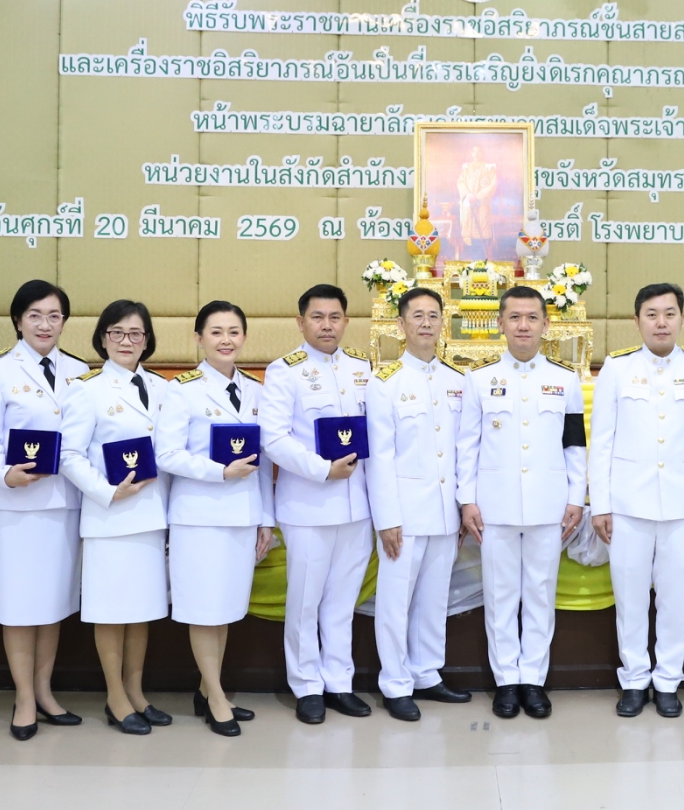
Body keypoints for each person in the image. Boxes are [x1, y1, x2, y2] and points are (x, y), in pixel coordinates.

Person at [590, 282, 684, 718]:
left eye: (669, 313)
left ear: (682, 319)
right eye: (652, 314)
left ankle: (667, 680)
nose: (661, 322)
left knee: (674, 599)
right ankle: (633, 679)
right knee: (629, 598)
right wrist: (601, 504)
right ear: (637, 321)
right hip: (628, 505)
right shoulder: (616, 367)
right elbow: (603, 441)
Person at [457, 285, 587, 719]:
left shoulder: (565, 380)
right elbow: (467, 446)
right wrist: (466, 500)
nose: (524, 325)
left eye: (532, 317)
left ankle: (533, 679)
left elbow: (574, 445)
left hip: (549, 506)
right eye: (515, 317)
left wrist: (576, 497)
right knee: (500, 594)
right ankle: (506, 681)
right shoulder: (479, 379)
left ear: (546, 324)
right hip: (494, 508)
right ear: (500, 324)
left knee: (539, 592)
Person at [0, 279, 90, 740]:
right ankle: (23, 698)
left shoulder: (81, 371)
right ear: (18, 320)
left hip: (63, 504)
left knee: (52, 602)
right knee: (20, 605)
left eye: (55, 316)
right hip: (15, 505)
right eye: (36, 315)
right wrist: (4, 474)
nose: (45, 324)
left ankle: (44, 691)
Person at [262, 283, 377, 724]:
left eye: (334, 317)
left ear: (346, 322)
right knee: (306, 600)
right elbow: (273, 438)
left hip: (357, 506)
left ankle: (339, 682)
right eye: (317, 317)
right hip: (309, 504)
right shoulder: (284, 371)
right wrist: (321, 468)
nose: (327, 325)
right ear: (300, 321)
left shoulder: (364, 370)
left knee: (342, 600)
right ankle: (307, 684)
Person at [157, 300, 274, 737]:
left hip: (243, 516)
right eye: (216, 332)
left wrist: (266, 519)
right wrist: (218, 472)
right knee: (203, 609)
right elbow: (165, 455)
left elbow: (261, 464)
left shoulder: (256, 390)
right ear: (199, 338)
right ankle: (217, 696)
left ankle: (210, 689)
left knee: (225, 609)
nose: (226, 340)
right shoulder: (181, 390)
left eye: (234, 331)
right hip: (200, 516)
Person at [59, 300, 174, 734]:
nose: (127, 341)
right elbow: (69, 454)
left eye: (136, 334)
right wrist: (108, 492)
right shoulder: (86, 389)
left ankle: (136, 691)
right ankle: (114, 696)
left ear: (147, 340)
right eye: (117, 333)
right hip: (109, 517)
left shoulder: (162, 388)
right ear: (103, 337)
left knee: (141, 609)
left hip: (150, 515)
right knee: (110, 611)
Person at [364, 287, 473, 721]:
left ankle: (426, 673)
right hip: (404, 515)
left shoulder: (457, 381)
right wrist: (388, 519)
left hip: (446, 512)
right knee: (394, 601)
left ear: (442, 322)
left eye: (433, 316)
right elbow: (381, 457)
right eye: (417, 316)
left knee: (433, 598)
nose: (426, 323)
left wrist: (466, 505)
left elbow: (465, 450)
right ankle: (395, 683)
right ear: (400, 325)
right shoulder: (384, 383)